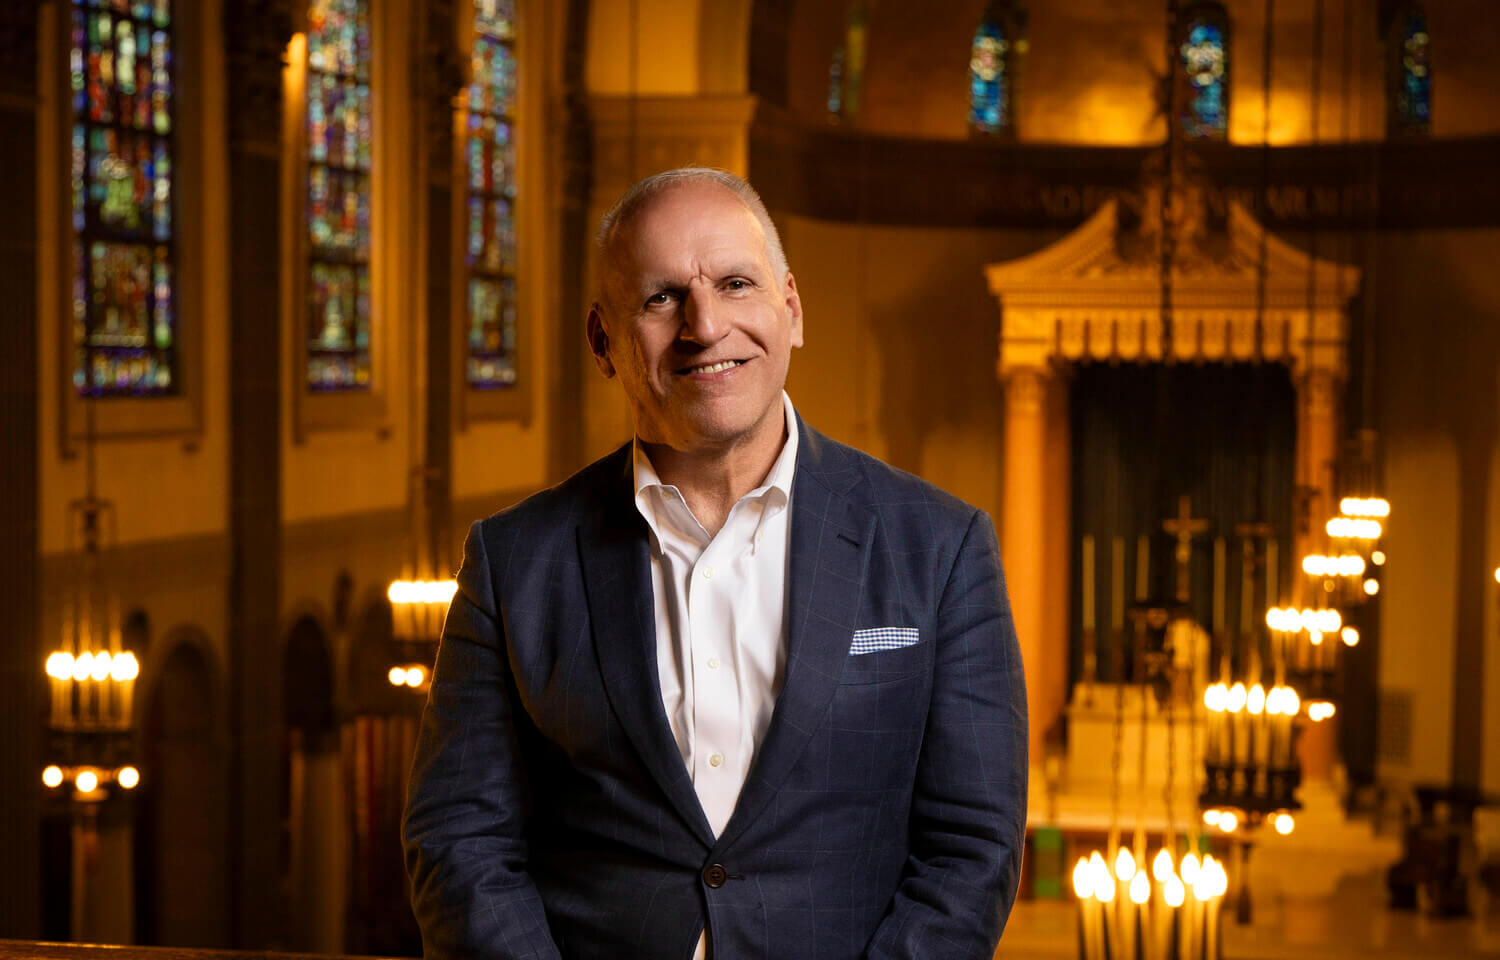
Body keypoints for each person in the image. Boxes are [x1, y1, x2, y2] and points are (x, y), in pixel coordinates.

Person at [402, 168, 1027, 960]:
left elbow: (972, 848)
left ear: (791, 310)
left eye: (736, 283)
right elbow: (459, 839)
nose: (705, 324)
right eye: (662, 298)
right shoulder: (513, 560)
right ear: (603, 342)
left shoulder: (941, 546)